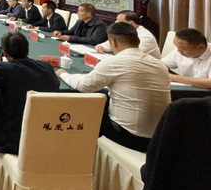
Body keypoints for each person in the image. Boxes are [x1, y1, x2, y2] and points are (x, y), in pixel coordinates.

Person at [57, 22, 170, 152]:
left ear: (113, 42)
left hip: (130, 136)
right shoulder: (160, 64)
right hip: (159, 137)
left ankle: (74, 154)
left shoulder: (113, 62)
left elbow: (84, 86)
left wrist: (64, 75)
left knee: (82, 113)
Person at [0, 32, 59, 155]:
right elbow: (56, 85)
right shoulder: (47, 67)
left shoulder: (5, 68)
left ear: (5, 53)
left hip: (12, 141)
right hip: (44, 136)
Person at [96, 10, 160, 59]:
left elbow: (132, 54)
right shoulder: (123, 31)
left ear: (131, 23)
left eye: (119, 21)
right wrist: (102, 46)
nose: (116, 24)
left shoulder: (146, 37)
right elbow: (113, 42)